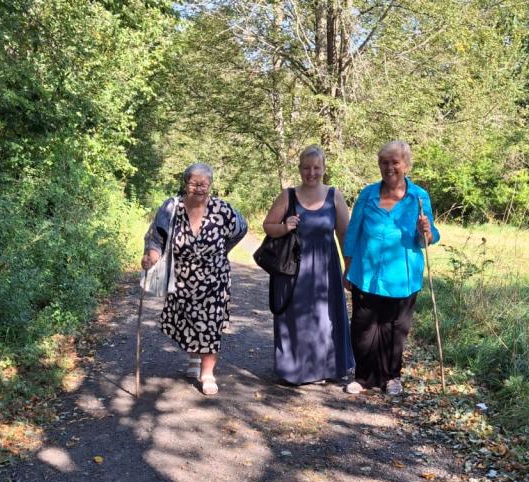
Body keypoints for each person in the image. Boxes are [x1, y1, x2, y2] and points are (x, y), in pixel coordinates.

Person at [342, 140, 439, 396]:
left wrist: (425, 232)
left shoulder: (419, 197)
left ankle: (391, 377)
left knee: (395, 329)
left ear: (406, 165)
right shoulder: (368, 194)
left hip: (402, 277)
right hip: (366, 272)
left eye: (395, 162)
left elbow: (429, 238)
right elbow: (353, 232)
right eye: (384, 162)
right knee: (363, 327)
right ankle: (363, 378)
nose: (389, 167)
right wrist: (347, 267)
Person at [141, 163, 247, 396]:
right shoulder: (172, 207)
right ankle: (194, 358)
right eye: (194, 183)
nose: (199, 188)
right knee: (188, 321)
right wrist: (152, 256)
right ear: (185, 183)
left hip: (214, 278)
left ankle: (207, 373)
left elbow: (241, 229)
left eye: (203, 184)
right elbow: (157, 236)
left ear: (210, 185)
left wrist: (223, 250)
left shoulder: (222, 209)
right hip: (182, 278)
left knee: (210, 324)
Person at [261, 145, 354, 384]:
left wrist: (349, 267)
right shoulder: (288, 195)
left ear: (324, 168)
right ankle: (295, 371)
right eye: (306, 168)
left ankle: (327, 368)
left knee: (325, 318)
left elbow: (345, 235)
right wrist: (285, 227)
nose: (311, 173)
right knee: (295, 318)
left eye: (316, 168)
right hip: (293, 268)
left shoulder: (334, 196)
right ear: (299, 168)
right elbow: (268, 226)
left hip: (326, 269)